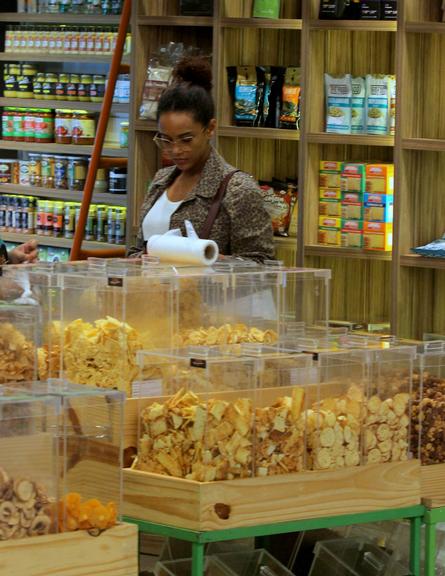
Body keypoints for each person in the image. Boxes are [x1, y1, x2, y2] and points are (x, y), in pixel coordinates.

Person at [128, 56, 274, 262]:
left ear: (210, 129)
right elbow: (136, 249)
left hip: (207, 294)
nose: (175, 150)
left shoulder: (239, 190)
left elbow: (262, 264)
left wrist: (207, 258)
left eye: (186, 140)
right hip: (155, 293)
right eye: (166, 140)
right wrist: (139, 259)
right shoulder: (161, 181)